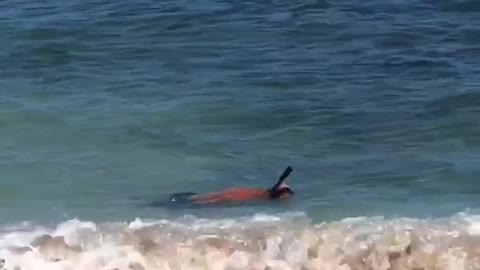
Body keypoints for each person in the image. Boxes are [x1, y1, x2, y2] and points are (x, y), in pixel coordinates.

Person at [169, 166, 294, 205]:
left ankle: (182, 201)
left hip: (237, 192)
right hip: (237, 196)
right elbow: (281, 189)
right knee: (210, 200)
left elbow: (280, 185)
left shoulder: (265, 192)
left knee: (205, 198)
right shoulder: (267, 194)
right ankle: (184, 202)